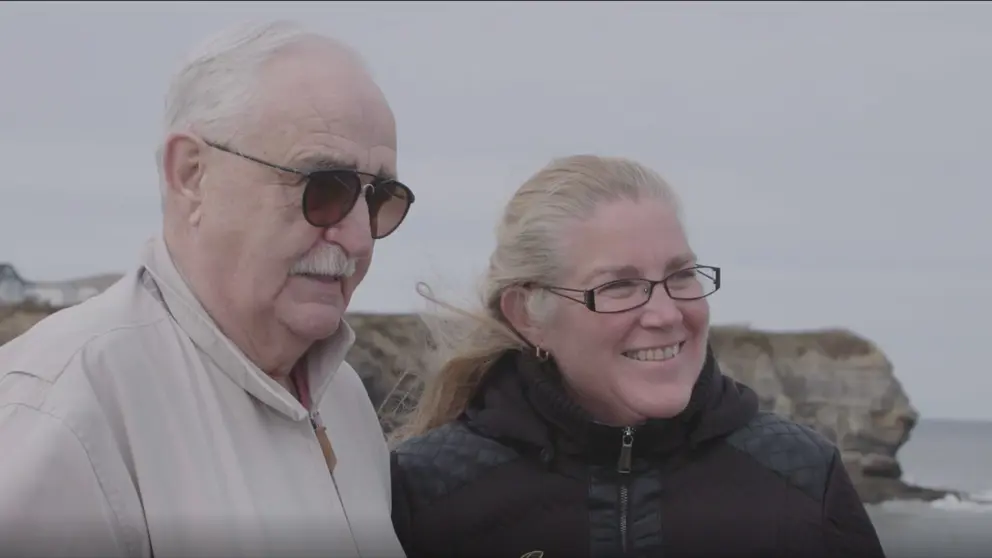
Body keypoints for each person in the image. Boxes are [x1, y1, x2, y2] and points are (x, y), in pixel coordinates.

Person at [0, 21, 412, 558]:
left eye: (380, 197)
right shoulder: (66, 409)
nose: (358, 236)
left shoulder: (346, 398)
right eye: (324, 187)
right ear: (192, 175)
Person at [388, 155, 886, 558]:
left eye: (681, 275)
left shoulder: (800, 476)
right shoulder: (427, 491)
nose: (666, 313)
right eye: (620, 285)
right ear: (528, 314)